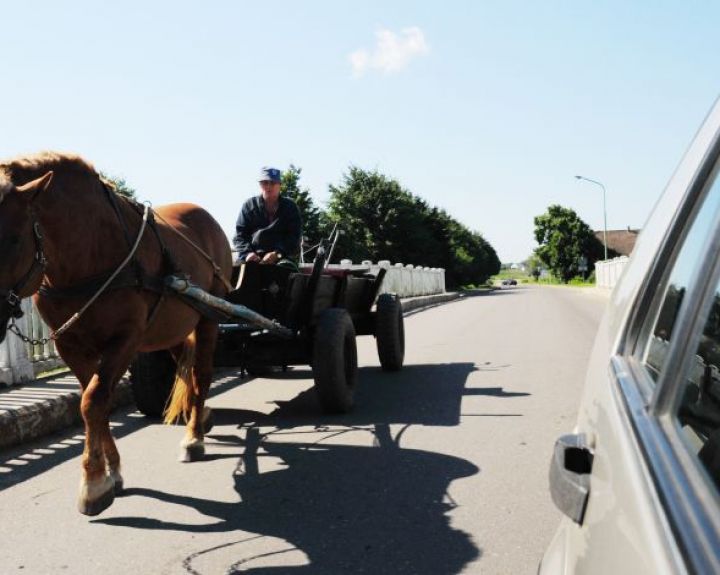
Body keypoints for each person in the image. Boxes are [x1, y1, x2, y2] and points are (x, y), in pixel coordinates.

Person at [233, 167, 302, 266]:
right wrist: (247, 254)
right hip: (252, 258)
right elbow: (239, 236)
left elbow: (294, 237)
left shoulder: (290, 207)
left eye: (273, 183)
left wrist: (277, 254)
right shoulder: (249, 206)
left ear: (280, 185)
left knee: (286, 269)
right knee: (234, 274)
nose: (269, 187)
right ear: (260, 184)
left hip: (281, 258)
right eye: (265, 183)